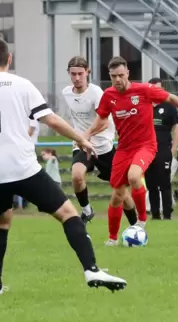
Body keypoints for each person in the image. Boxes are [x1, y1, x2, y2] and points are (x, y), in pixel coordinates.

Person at [0, 38, 127, 296]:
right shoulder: (21, 85)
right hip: (22, 168)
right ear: (9, 59)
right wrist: (80, 139)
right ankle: (91, 270)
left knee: (0, 222)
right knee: (68, 214)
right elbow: (51, 119)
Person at [87, 56, 178, 246]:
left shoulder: (144, 90)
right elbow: (102, 119)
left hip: (146, 145)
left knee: (135, 176)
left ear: (128, 73)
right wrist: (86, 135)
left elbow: (170, 97)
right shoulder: (109, 96)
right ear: (110, 76)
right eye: (114, 76)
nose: (118, 79)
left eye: (121, 75)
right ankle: (112, 239)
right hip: (124, 148)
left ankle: (141, 220)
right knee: (117, 195)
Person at [62, 56, 137, 226]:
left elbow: (103, 122)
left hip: (104, 148)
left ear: (87, 72)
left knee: (122, 193)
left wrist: (84, 136)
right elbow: (71, 118)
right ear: (68, 73)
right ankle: (87, 210)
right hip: (83, 146)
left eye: (80, 73)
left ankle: (136, 226)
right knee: (76, 176)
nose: (77, 78)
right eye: (73, 74)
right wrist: (77, 138)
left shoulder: (96, 93)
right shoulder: (66, 93)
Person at [144, 77, 178, 220]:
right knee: (151, 184)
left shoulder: (169, 106)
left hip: (163, 149)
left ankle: (167, 214)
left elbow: (176, 127)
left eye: (158, 88)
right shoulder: (144, 106)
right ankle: (155, 214)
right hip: (146, 150)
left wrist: (174, 149)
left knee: (164, 183)